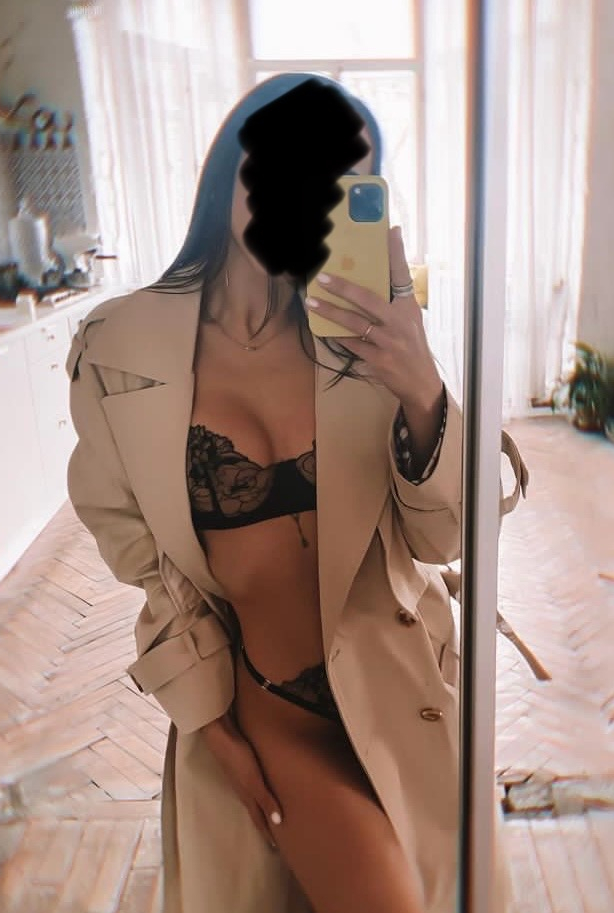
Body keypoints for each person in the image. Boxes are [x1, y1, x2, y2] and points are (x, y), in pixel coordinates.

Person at [66, 74, 527, 913]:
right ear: (234, 169)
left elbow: (442, 537)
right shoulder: (120, 350)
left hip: (404, 692)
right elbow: (145, 558)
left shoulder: (363, 338)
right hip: (275, 708)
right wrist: (211, 724)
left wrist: (423, 391)